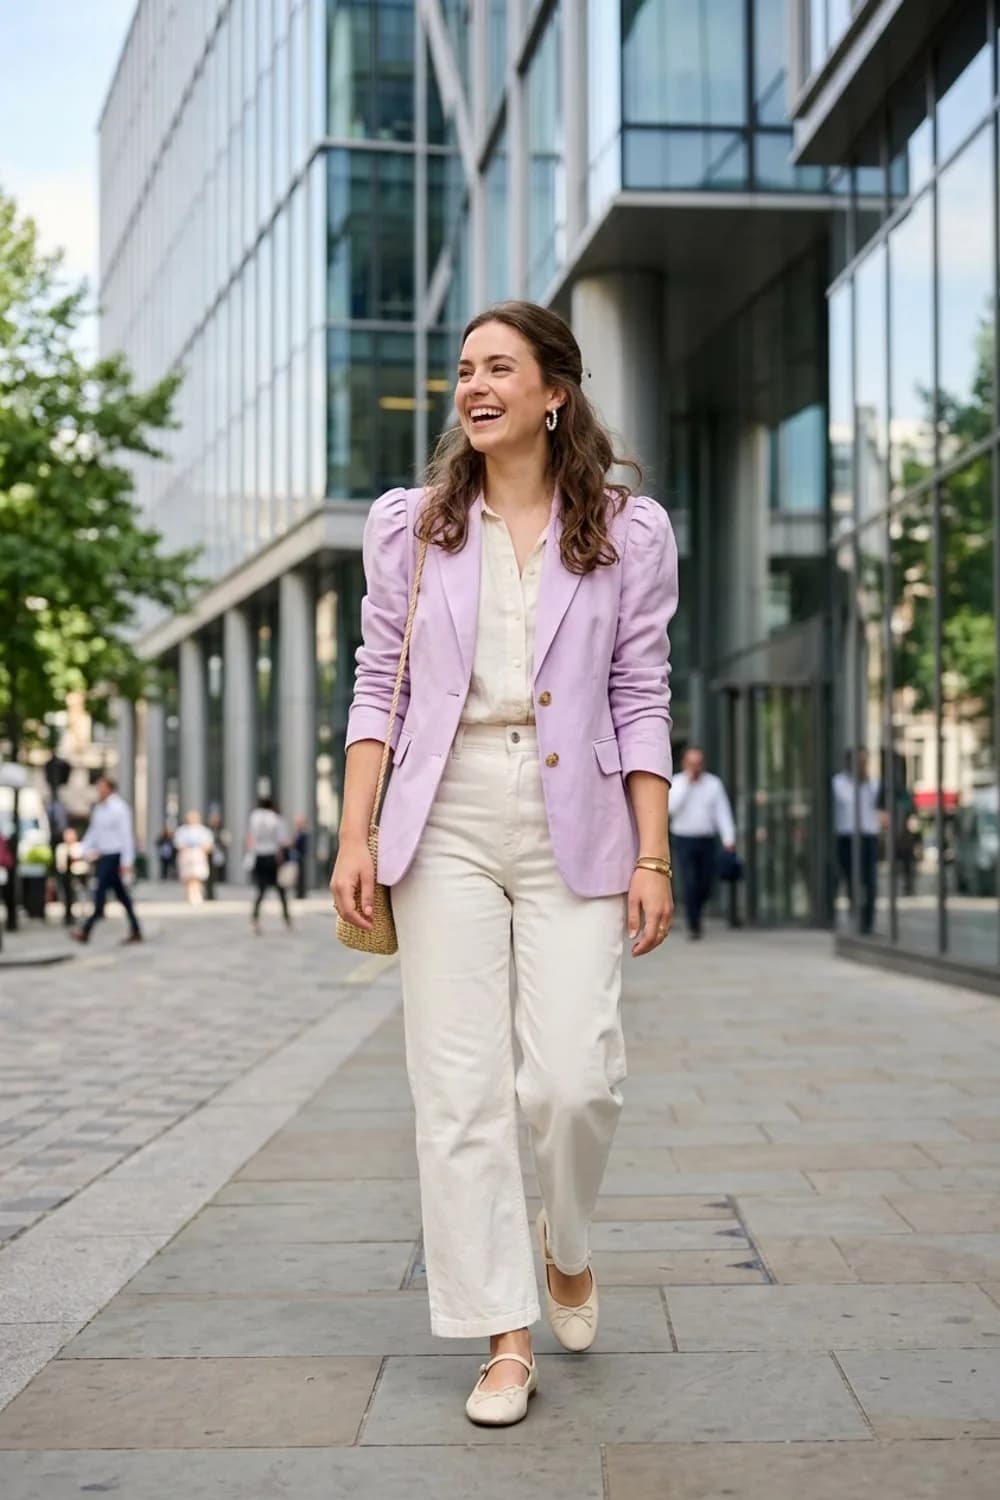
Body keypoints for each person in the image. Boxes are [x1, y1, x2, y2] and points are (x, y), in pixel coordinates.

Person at [331, 300, 677, 1428]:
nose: (474, 386)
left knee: (575, 1080)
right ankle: (503, 1334)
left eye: (499, 368)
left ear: (554, 391)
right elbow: (377, 684)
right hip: (444, 817)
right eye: (464, 370)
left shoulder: (628, 532)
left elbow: (638, 696)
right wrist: (355, 835)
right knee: (460, 1092)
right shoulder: (412, 527)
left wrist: (654, 854)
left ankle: (564, 1241)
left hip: (578, 810)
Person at [668, 746, 737, 940]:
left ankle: (697, 909)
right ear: (685, 764)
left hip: (706, 839)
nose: (695, 768)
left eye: (698, 764)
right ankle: (693, 923)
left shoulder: (713, 784)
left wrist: (728, 838)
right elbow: (670, 808)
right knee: (689, 881)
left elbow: (722, 813)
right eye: (692, 764)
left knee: (705, 882)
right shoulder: (677, 783)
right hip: (684, 838)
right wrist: (688, 785)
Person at [71, 776, 143, 945]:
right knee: (122, 896)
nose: (98, 791)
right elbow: (93, 833)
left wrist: (127, 862)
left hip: (115, 856)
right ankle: (136, 929)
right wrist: (82, 849)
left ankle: (86, 929)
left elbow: (126, 836)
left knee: (100, 892)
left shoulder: (119, 808)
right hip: (104, 856)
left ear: (110, 789)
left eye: (101, 788)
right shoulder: (99, 809)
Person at [832, 746, 883, 935]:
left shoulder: (873, 784)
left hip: (868, 836)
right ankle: (855, 916)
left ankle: (868, 923)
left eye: (865, 761)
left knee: (870, 881)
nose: (862, 765)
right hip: (846, 837)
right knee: (850, 879)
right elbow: (845, 801)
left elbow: (880, 807)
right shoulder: (838, 783)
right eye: (859, 762)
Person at [246, 796, 292, 934]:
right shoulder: (276, 819)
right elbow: (282, 841)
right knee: (281, 890)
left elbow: (250, 838)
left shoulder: (254, 817)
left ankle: (254, 921)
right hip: (272, 857)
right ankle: (287, 920)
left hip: (259, 856)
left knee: (260, 890)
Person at [173, 810, 214, 906]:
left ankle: (196, 893)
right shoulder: (182, 830)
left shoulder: (203, 830)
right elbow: (178, 844)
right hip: (187, 855)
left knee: (197, 876)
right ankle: (191, 893)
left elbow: (209, 845)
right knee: (188, 877)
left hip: (198, 856)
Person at [55, 827, 90, 927]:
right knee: (67, 896)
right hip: (66, 875)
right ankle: (68, 916)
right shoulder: (61, 848)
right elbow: (60, 864)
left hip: (80, 874)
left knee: (81, 894)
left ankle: (83, 914)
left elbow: (85, 860)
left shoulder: (79, 846)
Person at [205, 811, 229, 900]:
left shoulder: (221, 830)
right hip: (208, 855)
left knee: (214, 875)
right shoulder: (207, 829)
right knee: (208, 875)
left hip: (217, 854)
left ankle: (212, 894)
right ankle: (208, 894)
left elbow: (226, 841)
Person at [291, 815, 309, 899]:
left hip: (301, 856)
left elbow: (298, 845)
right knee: (298, 876)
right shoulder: (297, 833)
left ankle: (301, 893)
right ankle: (299, 893)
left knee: (301, 876)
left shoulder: (303, 834)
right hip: (297, 856)